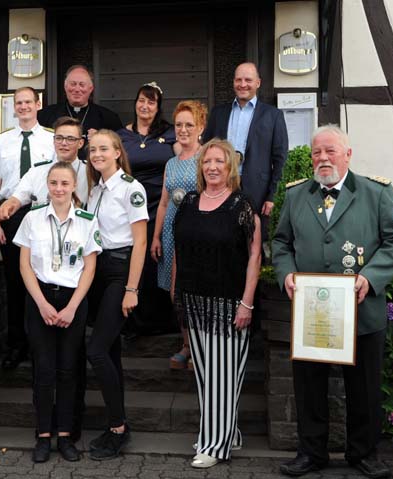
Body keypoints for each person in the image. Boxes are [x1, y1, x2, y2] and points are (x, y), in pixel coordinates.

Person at [273, 125, 393, 478]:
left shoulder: (376, 192)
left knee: (364, 389)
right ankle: (311, 453)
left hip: (362, 311)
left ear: (348, 154)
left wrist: (371, 276)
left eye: (330, 151)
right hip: (312, 313)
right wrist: (286, 273)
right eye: (317, 152)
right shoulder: (295, 196)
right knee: (309, 387)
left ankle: (363, 454)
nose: (322, 158)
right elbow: (281, 243)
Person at [173, 138, 261, 468]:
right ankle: (228, 433)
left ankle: (213, 444)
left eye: (219, 162)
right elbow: (180, 249)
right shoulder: (189, 202)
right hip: (195, 302)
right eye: (207, 161)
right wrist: (176, 290)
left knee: (223, 378)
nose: (212, 167)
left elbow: (255, 256)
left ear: (230, 168)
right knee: (207, 376)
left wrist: (247, 303)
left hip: (229, 304)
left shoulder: (242, 205)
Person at [13, 162, 101, 463]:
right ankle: (42, 435)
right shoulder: (32, 218)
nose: (59, 189)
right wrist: (41, 303)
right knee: (44, 370)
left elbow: (90, 267)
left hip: (73, 300)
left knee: (68, 370)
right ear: (47, 185)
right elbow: (24, 265)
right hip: (40, 299)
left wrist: (73, 306)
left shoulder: (87, 221)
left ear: (74, 185)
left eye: (64, 183)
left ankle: (65, 435)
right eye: (53, 183)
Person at [85, 129, 148, 460]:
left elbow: (139, 241)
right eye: (93, 149)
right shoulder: (94, 190)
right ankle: (117, 427)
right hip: (97, 270)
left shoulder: (131, 189)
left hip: (120, 272)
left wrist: (131, 289)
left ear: (116, 152)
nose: (96, 154)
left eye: (103, 149)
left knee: (96, 350)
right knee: (110, 353)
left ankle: (118, 427)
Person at [0, 86, 55, 369]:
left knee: (44, 278)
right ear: (14, 107)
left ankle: (43, 344)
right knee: (15, 283)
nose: (23, 106)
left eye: (28, 102)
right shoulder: (2, 141)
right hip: (10, 215)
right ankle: (17, 345)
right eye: (19, 103)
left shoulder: (50, 139)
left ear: (38, 104)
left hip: (41, 212)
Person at [149, 100, 208, 369]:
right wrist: (156, 237)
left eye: (189, 125)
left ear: (201, 127)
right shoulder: (171, 163)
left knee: (194, 290)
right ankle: (186, 343)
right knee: (175, 294)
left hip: (196, 233)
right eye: (179, 125)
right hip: (172, 232)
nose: (183, 130)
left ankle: (200, 347)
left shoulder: (206, 159)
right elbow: (163, 203)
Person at [117, 82, 176, 336]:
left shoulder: (171, 134)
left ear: (158, 107)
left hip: (161, 208)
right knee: (133, 263)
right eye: (142, 100)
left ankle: (162, 323)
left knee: (157, 262)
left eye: (151, 102)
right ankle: (134, 322)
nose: (145, 106)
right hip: (130, 209)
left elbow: (183, 162)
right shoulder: (122, 135)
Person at [202, 62, 288, 218]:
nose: (243, 85)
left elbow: (281, 159)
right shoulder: (218, 113)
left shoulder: (273, 116)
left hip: (258, 191)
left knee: (253, 236)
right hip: (220, 186)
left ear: (258, 83)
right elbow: (205, 151)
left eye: (248, 80)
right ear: (233, 82)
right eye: (238, 80)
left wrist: (272, 196)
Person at [0, 116, 89, 219]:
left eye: (70, 139)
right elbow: (19, 196)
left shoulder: (89, 172)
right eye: (59, 138)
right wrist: (9, 205)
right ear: (53, 141)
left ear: (80, 143)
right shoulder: (37, 171)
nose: (64, 143)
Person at [38, 64, 123, 159]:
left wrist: (102, 139)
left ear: (91, 89)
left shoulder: (108, 118)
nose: (77, 89)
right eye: (73, 84)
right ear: (65, 87)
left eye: (82, 85)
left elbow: (119, 149)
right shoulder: (45, 115)